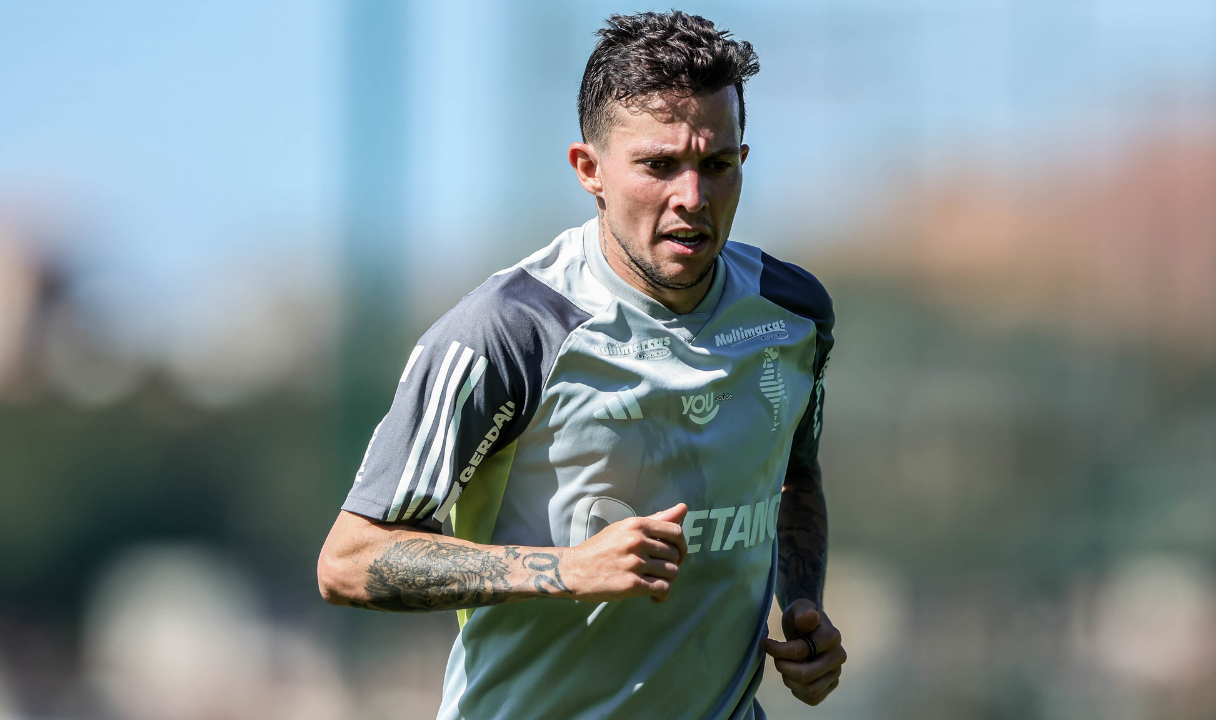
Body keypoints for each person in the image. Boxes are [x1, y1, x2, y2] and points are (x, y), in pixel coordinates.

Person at [318, 10, 846, 719]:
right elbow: (350, 560)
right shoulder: (508, 332)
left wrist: (803, 605)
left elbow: (793, 475)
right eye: (658, 165)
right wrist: (568, 570)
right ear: (589, 170)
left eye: (715, 165)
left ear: (740, 163)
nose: (691, 197)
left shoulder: (792, 314)